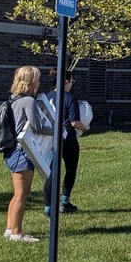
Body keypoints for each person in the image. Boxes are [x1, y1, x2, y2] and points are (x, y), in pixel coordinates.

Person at [3, 65, 52, 243]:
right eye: (37, 79)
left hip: (12, 151)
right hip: (21, 152)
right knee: (22, 194)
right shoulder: (28, 101)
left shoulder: (13, 99)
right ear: (31, 81)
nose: (39, 82)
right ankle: (17, 233)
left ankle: (10, 229)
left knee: (17, 193)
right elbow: (37, 127)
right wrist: (56, 129)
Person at [43, 71, 88, 215]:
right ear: (66, 81)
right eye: (72, 81)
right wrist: (85, 127)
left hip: (51, 137)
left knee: (51, 171)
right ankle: (64, 202)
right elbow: (74, 122)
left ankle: (48, 207)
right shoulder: (69, 98)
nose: (72, 84)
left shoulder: (47, 96)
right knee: (70, 169)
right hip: (67, 137)